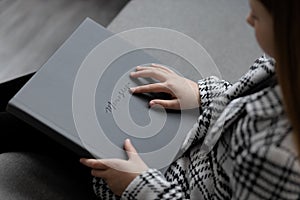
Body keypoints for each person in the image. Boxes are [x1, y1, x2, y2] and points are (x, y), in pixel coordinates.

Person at [79, 0, 300, 199]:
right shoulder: (284, 62)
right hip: (205, 151)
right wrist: (201, 93)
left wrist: (140, 187)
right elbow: (248, 98)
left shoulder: (275, 157)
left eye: (257, 16)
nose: (248, 19)